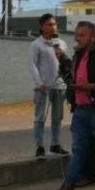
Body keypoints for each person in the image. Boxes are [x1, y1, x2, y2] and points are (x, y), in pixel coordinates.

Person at [44, 21, 95, 190]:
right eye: (76, 34)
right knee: (78, 149)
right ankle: (68, 188)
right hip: (81, 109)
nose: (77, 38)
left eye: (82, 35)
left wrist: (89, 86)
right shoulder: (78, 56)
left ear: (93, 37)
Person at [28, 14, 70, 159]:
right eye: (49, 25)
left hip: (59, 86)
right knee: (40, 118)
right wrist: (39, 83)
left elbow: (66, 64)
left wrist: (66, 82)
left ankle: (55, 144)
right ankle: (39, 146)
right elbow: (32, 65)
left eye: (54, 24)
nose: (53, 27)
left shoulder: (62, 43)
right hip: (43, 87)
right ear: (42, 27)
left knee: (57, 117)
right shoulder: (36, 44)